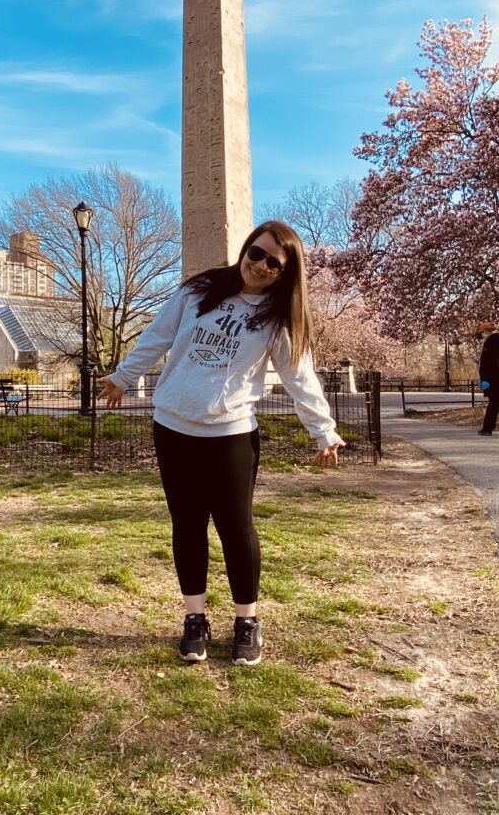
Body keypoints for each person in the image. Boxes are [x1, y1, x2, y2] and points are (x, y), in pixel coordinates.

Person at [98, 221, 345, 666]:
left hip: (230, 433)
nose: (262, 265)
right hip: (173, 426)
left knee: (236, 529)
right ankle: (195, 619)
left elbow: (299, 377)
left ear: (285, 272)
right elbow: (157, 336)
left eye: (275, 262)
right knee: (187, 525)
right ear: (245, 249)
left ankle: (246, 622)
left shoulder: (279, 316)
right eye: (257, 253)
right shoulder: (200, 290)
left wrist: (322, 430)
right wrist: (122, 377)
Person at [475, 320, 499, 436]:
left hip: (493, 379)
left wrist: (485, 378)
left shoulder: (491, 342)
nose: (482, 336)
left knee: (494, 403)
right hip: (495, 378)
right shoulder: (495, 341)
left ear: (486, 331)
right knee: (495, 403)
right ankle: (487, 427)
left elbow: (489, 363)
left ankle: (487, 428)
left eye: (482, 333)